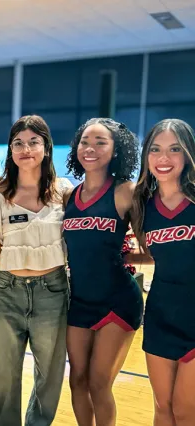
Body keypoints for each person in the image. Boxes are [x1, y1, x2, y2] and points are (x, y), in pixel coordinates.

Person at [0, 115, 72, 426]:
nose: (25, 149)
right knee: (5, 374)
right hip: (8, 292)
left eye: (33, 142)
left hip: (52, 291)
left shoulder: (64, 192)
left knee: (50, 373)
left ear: (46, 147)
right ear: (11, 151)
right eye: (18, 143)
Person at [63, 118, 143, 426]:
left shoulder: (126, 192)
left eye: (100, 142)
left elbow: (150, 250)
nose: (90, 149)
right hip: (79, 300)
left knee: (99, 383)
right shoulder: (70, 196)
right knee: (77, 381)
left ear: (116, 150)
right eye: (85, 142)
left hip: (118, 301)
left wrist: (125, 255)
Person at [131, 119, 195, 426]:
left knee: (186, 411)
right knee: (163, 407)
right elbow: (152, 253)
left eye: (174, 149)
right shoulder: (143, 205)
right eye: (155, 149)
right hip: (160, 315)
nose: (163, 158)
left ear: (187, 155)